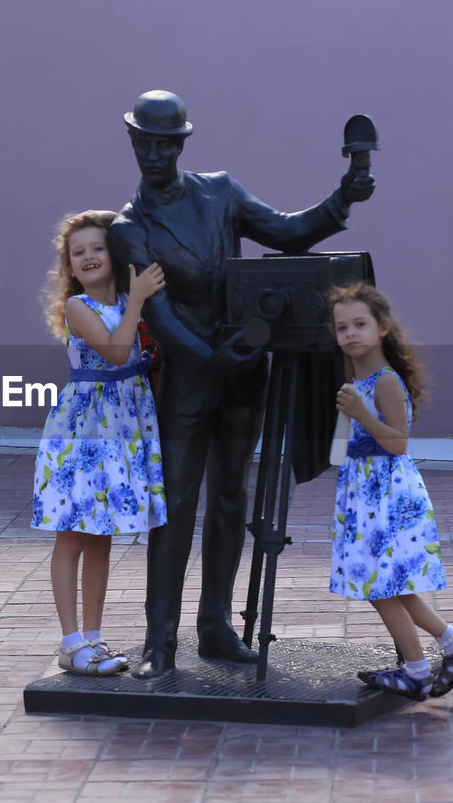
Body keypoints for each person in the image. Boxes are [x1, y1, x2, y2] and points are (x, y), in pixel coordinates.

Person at [106, 90, 376, 679]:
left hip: (243, 369)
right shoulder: (129, 228)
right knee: (175, 507)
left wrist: (340, 200)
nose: (152, 153)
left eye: (163, 143)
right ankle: (160, 640)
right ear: (133, 143)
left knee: (230, 498)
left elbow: (286, 232)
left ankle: (216, 628)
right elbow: (158, 313)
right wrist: (210, 356)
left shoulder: (220, 192)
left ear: (180, 143)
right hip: (188, 377)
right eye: (143, 142)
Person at [329, 282, 453, 700]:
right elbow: (344, 447)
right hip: (363, 490)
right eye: (342, 327)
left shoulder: (385, 382)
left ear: (381, 328)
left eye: (360, 324)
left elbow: (398, 443)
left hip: (387, 491)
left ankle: (417, 669)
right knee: (388, 585)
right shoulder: (355, 379)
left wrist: (360, 413)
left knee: (380, 586)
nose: (350, 334)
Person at [32, 209, 169, 675]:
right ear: (69, 266)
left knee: (101, 537)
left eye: (97, 248)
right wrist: (139, 301)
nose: (88, 257)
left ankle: (94, 637)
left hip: (122, 429)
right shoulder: (79, 308)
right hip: (85, 432)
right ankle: (70, 642)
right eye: (78, 252)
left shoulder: (130, 303)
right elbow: (113, 352)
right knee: (73, 532)